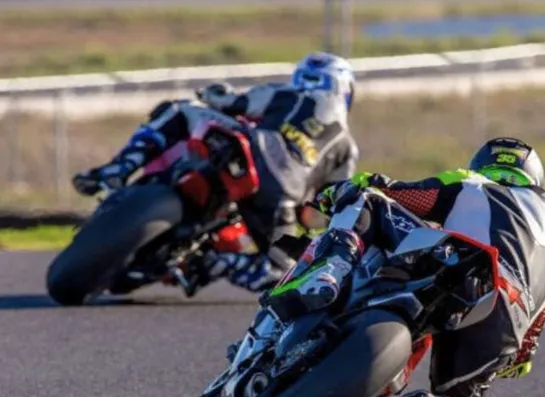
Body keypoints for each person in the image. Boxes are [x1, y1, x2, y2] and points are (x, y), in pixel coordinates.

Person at [263, 137, 545, 397]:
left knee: (368, 200)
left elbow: (401, 194)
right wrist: (513, 359)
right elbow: (530, 345)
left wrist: (341, 190)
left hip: (463, 267)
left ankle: (333, 268)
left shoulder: (472, 183)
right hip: (503, 322)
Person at [72, 52, 359, 292]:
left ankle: (119, 168)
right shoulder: (346, 147)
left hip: (248, 150)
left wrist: (214, 93)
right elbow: (323, 211)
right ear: (345, 91)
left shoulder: (287, 94)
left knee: (180, 109)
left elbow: (230, 103)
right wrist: (298, 214)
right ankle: (218, 262)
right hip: (280, 198)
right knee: (284, 273)